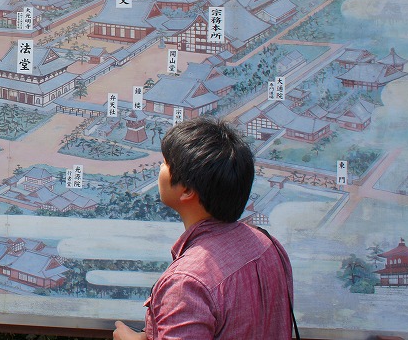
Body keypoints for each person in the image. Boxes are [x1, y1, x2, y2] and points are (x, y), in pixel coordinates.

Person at [113, 117, 294, 340]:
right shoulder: (268, 245)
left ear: (187, 190)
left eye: (166, 163)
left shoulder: (187, 282)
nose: (161, 167)